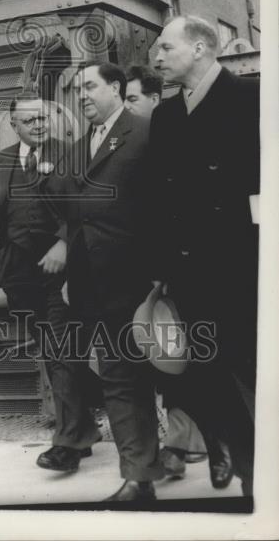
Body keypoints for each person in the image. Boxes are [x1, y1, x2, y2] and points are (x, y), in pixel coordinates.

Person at [43, 63, 164, 504]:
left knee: (175, 375)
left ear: (115, 87)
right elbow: (75, 220)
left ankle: (215, 456)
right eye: (78, 90)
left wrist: (162, 275)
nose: (83, 95)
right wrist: (72, 276)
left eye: (90, 86)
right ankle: (138, 474)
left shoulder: (146, 133)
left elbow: (165, 206)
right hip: (95, 285)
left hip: (141, 282)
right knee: (118, 378)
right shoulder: (78, 149)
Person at [150, 16, 259, 496]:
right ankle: (242, 461)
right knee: (206, 372)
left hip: (244, 264)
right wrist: (162, 268)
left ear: (199, 48)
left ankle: (255, 471)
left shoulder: (253, 100)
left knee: (252, 371)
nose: (156, 56)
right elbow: (159, 196)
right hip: (188, 267)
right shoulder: (166, 115)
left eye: (165, 47)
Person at [125, 63, 232, 486]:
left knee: (192, 357)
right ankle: (179, 444)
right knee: (165, 360)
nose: (128, 107)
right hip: (146, 270)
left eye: (133, 99)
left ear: (156, 100)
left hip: (185, 268)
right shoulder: (131, 144)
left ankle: (194, 443)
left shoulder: (176, 136)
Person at [0, 94, 102, 472]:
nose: (39, 124)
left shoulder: (71, 154)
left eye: (43, 118)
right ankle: (83, 428)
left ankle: (67, 444)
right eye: (29, 120)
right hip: (21, 274)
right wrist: (4, 260)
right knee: (52, 352)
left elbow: (86, 209)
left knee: (62, 350)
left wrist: (64, 244)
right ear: (14, 124)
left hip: (63, 272)